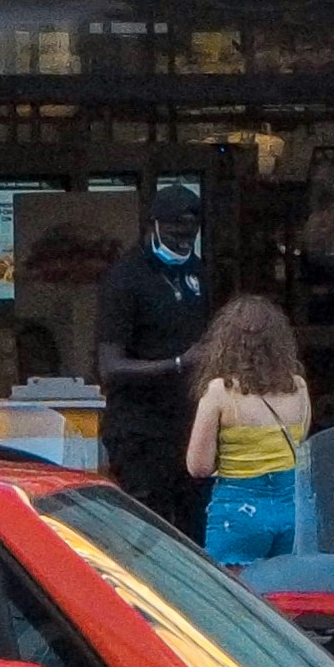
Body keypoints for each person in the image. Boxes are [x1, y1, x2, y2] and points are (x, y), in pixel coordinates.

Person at [92, 185, 213, 539]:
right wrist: (178, 363)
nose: (183, 242)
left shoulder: (196, 272)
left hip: (188, 427)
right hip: (140, 431)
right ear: (154, 225)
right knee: (147, 532)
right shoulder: (125, 278)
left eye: (191, 233)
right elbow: (110, 367)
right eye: (176, 232)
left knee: (194, 531)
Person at [180, 297, 315, 569]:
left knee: (233, 600)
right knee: (284, 597)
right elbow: (300, 442)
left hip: (239, 509)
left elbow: (198, 466)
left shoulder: (220, 391)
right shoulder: (298, 386)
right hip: (294, 508)